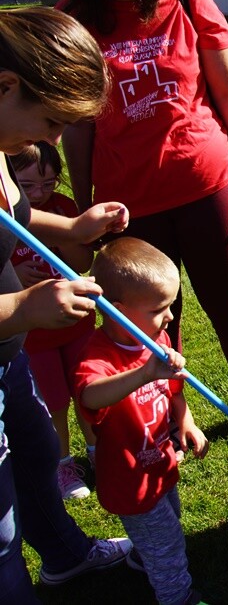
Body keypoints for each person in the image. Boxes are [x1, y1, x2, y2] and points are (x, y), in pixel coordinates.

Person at [59, 0, 228, 453]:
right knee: (148, 313)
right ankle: (179, 410)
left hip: (205, 180)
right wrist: (84, 200)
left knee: (227, 303)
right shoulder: (75, 18)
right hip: (128, 198)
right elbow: (77, 123)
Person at [0, 5, 133, 604]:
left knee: (35, 460)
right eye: (51, 120)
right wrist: (25, 308)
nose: (53, 141)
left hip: (7, 357)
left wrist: (74, 227)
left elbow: (16, 217)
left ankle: (65, 558)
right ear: (5, 85)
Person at [76, 237, 208, 605]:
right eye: (160, 308)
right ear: (118, 311)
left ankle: (140, 556)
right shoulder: (100, 354)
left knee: (170, 519)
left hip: (159, 462)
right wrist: (144, 373)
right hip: (129, 474)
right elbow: (89, 394)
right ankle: (177, 596)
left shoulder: (157, 337)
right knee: (167, 545)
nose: (169, 316)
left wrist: (186, 422)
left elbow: (174, 390)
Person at [10, 142, 98, 500]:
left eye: (48, 184)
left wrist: (66, 236)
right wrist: (14, 271)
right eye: (28, 187)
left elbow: (82, 262)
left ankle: (97, 453)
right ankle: (63, 463)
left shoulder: (62, 210)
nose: (40, 194)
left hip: (76, 324)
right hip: (35, 337)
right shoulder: (7, 218)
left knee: (87, 391)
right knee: (54, 401)